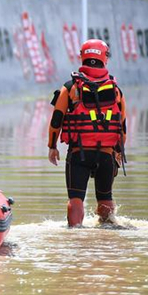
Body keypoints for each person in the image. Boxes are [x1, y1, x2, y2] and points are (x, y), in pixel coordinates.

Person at [47, 39, 127, 227]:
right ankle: (108, 229)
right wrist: (118, 152)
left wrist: (52, 146)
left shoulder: (70, 88)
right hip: (106, 154)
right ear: (104, 58)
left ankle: (75, 234)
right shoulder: (115, 90)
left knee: (76, 200)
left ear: (83, 56)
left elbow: (56, 120)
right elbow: (122, 126)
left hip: (78, 154)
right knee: (105, 199)